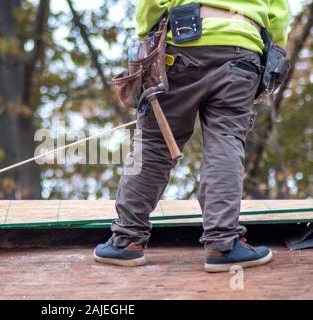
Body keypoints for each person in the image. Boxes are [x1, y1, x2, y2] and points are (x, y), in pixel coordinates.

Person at [94, 0, 289, 272]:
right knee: (226, 142)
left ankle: (127, 241)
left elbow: (152, 4)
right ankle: (222, 245)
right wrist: (276, 45)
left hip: (183, 45)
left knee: (154, 145)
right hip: (243, 52)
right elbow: (278, 15)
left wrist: (144, 34)